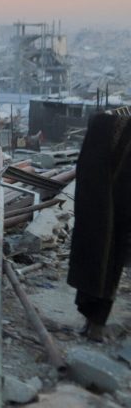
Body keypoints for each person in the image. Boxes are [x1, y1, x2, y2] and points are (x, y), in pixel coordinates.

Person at [67, 112, 131, 341]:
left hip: (106, 210)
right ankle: (94, 324)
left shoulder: (110, 128)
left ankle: (94, 323)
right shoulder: (114, 130)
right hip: (107, 211)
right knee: (105, 256)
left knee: (105, 256)